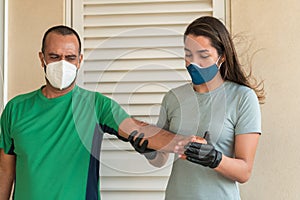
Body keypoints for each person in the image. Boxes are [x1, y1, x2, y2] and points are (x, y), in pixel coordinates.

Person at [0, 25, 206, 200]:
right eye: (54, 56)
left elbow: (138, 130)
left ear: (79, 60)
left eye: (70, 58)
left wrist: (187, 144)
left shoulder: (96, 105)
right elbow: (5, 171)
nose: (63, 64)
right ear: (42, 58)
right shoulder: (16, 108)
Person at [131, 16, 264, 199]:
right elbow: (161, 159)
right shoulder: (173, 98)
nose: (193, 63)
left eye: (203, 55)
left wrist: (214, 159)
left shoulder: (242, 98)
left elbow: (244, 172)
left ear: (222, 56)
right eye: (188, 54)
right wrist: (149, 150)